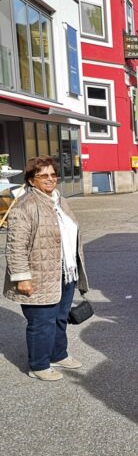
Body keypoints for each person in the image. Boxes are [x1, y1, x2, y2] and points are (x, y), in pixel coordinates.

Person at [3, 156, 89, 381]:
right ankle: (38, 365)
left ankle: (59, 354)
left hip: (64, 271)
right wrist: (22, 278)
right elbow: (15, 246)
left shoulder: (59, 200)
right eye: (43, 176)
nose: (50, 179)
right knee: (42, 322)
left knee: (60, 318)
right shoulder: (26, 206)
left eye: (53, 175)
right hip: (38, 275)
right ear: (31, 181)